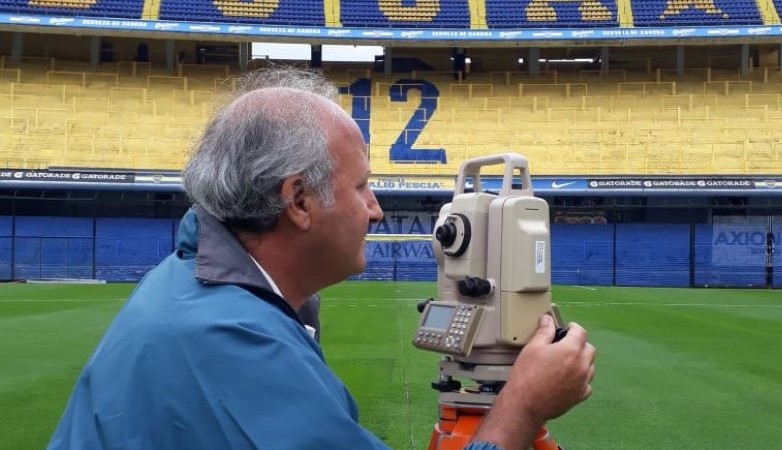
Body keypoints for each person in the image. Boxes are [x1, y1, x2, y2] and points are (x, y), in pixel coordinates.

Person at [45, 67, 596, 450]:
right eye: (362, 189)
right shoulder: (228, 340)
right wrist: (521, 407)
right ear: (299, 201)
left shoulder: (200, 285)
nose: (376, 212)